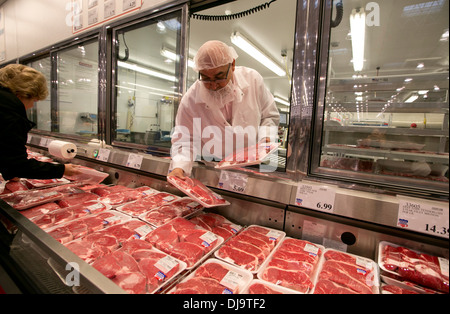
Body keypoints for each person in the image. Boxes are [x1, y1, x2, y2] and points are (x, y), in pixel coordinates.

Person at [169, 40, 280, 179]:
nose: (214, 86)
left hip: (252, 165)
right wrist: (179, 167)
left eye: (219, 77)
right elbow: (185, 139)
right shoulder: (190, 99)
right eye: (206, 78)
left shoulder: (253, 80)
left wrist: (267, 137)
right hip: (213, 167)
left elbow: (269, 115)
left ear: (232, 65)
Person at [0, 64, 80, 181]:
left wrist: (11, 171)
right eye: (34, 100)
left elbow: (7, 155)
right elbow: (17, 165)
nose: (32, 105)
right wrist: (62, 170)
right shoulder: (9, 113)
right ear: (21, 94)